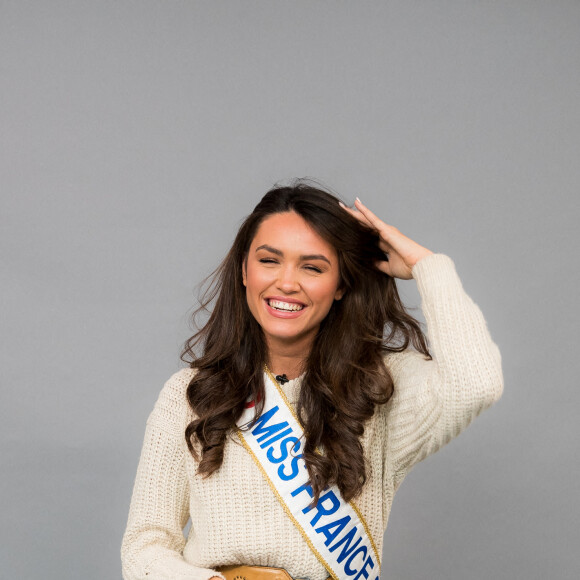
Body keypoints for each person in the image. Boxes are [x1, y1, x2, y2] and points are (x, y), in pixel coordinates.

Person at [121, 180, 503, 580]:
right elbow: (144, 546)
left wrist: (428, 266)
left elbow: (475, 383)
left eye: (312, 267)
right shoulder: (189, 394)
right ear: (244, 271)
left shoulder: (381, 388)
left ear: (340, 285)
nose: (287, 282)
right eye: (269, 261)